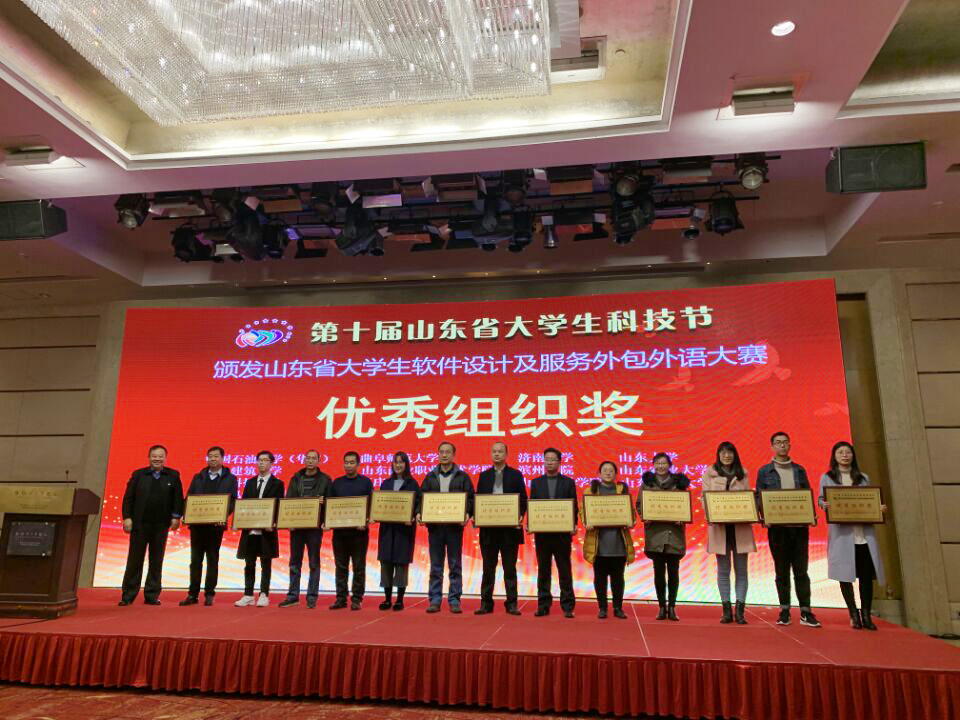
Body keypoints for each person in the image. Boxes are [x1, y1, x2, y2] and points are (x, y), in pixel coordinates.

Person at [819, 441, 886, 630]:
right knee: (845, 575)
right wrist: (824, 505)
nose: (844, 455)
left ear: (853, 455)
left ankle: (866, 615)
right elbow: (820, 499)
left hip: (863, 535)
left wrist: (879, 508)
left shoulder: (863, 478)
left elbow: (871, 500)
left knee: (866, 577)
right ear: (834, 456)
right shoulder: (827, 477)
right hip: (842, 535)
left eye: (848, 452)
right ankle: (853, 614)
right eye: (840, 452)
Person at [756, 431, 821, 628]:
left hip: (799, 528)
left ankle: (806, 612)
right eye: (778, 442)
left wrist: (811, 514)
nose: (782, 445)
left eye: (785, 442)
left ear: (790, 445)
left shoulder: (799, 470)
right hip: (777, 529)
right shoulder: (764, 471)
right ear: (772, 447)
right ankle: (784, 610)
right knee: (781, 571)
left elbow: (807, 495)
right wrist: (764, 516)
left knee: (802, 571)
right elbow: (759, 497)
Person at [119, 445, 183, 606]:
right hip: (139, 525)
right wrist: (127, 517)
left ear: (165, 458)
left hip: (161, 525)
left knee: (156, 561)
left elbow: (178, 499)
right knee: (134, 561)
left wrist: (176, 517)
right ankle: (128, 595)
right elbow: (128, 498)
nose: (157, 459)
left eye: (160, 456)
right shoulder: (138, 475)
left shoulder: (173, 475)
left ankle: (152, 595)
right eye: (154, 456)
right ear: (149, 457)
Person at [701, 442, 756, 624]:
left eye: (730, 452)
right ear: (718, 454)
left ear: (735, 454)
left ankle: (740, 611)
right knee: (723, 571)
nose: (727, 456)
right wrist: (710, 514)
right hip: (720, 529)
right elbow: (704, 499)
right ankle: (726, 610)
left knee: (742, 571)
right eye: (723, 452)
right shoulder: (710, 473)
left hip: (740, 528)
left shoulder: (743, 474)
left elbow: (748, 499)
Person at [420, 441, 474, 614]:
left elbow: (471, 499)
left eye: (447, 452)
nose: (444, 455)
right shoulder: (430, 477)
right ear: (438, 454)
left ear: (453, 455)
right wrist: (419, 513)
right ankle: (435, 600)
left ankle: (454, 600)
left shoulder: (462, 477)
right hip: (435, 528)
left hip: (454, 528)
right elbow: (421, 498)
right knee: (436, 565)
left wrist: (467, 513)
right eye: (441, 452)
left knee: (455, 564)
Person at [180, 446, 238, 607]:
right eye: (210, 456)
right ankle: (192, 594)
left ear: (222, 459)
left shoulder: (230, 479)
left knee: (212, 560)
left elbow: (232, 501)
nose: (213, 459)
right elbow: (189, 498)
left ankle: (209, 594)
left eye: (216, 456)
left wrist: (223, 516)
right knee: (195, 561)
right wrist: (187, 514)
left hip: (216, 526)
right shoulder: (198, 477)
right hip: (197, 526)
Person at [474, 441, 527, 616]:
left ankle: (511, 604)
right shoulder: (484, 476)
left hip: (509, 531)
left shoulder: (516, 475)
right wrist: (476, 515)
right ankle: (486, 603)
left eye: (500, 451)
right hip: (489, 531)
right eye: (494, 451)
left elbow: (523, 499)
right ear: (491, 454)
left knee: (509, 569)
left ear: (506, 454)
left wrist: (520, 514)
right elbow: (478, 500)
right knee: (488, 568)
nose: (497, 454)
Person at [279, 450, 332, 609]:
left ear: (319, 461)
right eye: (308, 458)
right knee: (294, 562)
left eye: (313, 458)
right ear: (304, 460)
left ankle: (312, 596)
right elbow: (289, 500)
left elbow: (331, 502)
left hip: (315, 527)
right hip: (297, 526)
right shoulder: (296, 478)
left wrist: (324, 506)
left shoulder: (325, 479)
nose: (310, 460)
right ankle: (293, 595)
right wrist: (288, 521)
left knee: (314, 562)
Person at [529, 447, 578, 618]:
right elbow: (532, 506)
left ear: (559, 462)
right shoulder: (536, 483)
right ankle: (543, 605)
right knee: (543, 570)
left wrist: (573, 524)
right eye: (547, 459)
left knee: (564, 570)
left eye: (553, 459)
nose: (549, 462)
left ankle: (568, 606)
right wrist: (531, 524)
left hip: (562, 534)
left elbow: (574, 506)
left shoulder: (568, 482)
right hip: (542, 534)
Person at [582, 461, 634, 619]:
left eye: (611, 470)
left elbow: (630, 511)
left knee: (618, 579)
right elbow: (583, 511)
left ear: (615, 474)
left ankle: (618, 608)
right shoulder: (591, 491)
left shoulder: (622, 490)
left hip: (619, 543)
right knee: (600, 579)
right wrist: (586, 522)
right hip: (598, 544)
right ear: (599, 474)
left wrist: (631, 520)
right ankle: (602, 608)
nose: (608, 473)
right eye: (604, 470)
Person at [641, 452, 689, 621]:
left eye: (664, 463)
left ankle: (672, 607)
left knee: (674, 574)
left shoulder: (679, 483)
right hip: (655, 535)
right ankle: (662, 607)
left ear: (669, 465)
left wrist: (682, 518)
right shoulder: (647, 483)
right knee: (659, 574)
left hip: (674, 535)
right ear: (654, 465)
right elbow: (640, 504)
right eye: (658, 463)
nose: (661, 466)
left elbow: (685, 505)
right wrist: (644, 515)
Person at [235, 451, 284, 607]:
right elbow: (244, 504)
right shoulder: (250, 482)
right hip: (250, 530)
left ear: (271, 463)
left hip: (267, 530)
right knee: (249, 563)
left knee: (266, 563)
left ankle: (264, 594)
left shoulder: (278, 484)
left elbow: (279, 506)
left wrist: (273, 523)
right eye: (259, 460)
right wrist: (238, 521)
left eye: (265, 460)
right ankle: (248, 594)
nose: (261, 463)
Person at [329, 451, 374, 611]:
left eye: (352, 462)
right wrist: (329, 521)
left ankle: (357, 599)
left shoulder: (365, 482)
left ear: (358, 465)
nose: (348, 465)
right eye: (346, 462)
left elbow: (371, 505)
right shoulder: (337, 483)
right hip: (340, 533)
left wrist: (366, 520)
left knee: (358, 567)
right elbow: (330, 506)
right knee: (340, 567)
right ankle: (341, 598)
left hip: (359, 533)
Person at [376, 451, 420, 611]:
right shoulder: (385, 483)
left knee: (401, 564)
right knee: (386, 563)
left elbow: (418, 504)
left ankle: (400, 600)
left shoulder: (412, 484)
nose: (398, 465)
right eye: (395, 462)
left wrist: (413, 516)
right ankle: (387, 599)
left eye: (401, 462)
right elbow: (379, 505)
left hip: (404, 530)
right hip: (387, 530)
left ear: (406, 465)